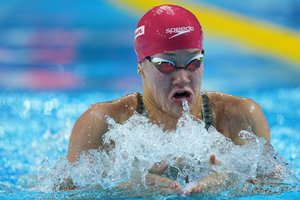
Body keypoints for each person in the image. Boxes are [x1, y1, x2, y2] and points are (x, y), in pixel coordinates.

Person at [66, 4, 270, 195]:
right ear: (140, 66)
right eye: (166, 64)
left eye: (194, 62)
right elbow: (62, 192)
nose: (182, 77)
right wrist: (126, 188)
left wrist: (233, 184)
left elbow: (278, 186)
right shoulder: (103, 123)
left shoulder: (241, 118)